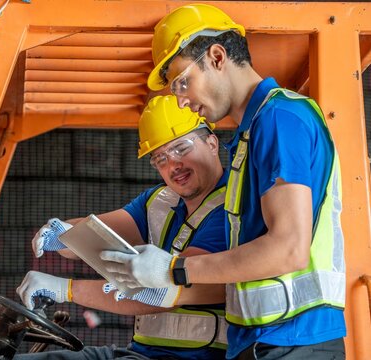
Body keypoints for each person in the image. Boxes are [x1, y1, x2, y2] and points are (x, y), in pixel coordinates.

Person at [100, 4, 346, 360]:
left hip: (295, 339)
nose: (182, 100)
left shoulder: (279, 118)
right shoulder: (252, 134)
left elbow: (288, 248)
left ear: (217, 56)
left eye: (183, 82)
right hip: (266, 339)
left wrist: (174, 269)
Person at [15, 95, 229, 359]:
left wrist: (66, 290)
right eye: (160, 158)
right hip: (140, 352)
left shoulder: (232, 209)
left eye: (181, 149)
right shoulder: (161, 201)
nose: (173, 165)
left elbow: (166, 292)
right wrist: (63, 234)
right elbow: (94, 234)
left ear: (211, 142)